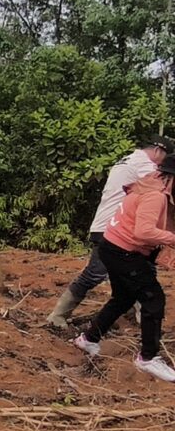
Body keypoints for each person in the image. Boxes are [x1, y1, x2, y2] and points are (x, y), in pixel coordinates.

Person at [47, 135, 174, 327]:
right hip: (115, 229)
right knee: (95, 273)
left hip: (110, 224)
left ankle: (142, 316)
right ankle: (57, 316)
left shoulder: (127, 160)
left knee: (144, 271)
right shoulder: (147, 168)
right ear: (157, 151)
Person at [74, 156, 175, 382]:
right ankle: (148, 358)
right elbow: (143, 232)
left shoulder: (148, 183)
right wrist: (171, 238)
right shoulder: (155, 196)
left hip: (111, 246)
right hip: (124, 252)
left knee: (122, 298)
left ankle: (88, 339)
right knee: (153, 299)